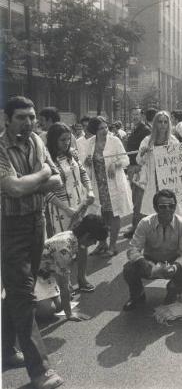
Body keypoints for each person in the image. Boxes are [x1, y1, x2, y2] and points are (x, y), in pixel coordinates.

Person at [0, 96, 64, 389]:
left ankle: (5, 351)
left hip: (36, 223)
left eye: (31, 117)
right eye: (21, 117)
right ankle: (41, 371)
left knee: (15, 292)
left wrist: (29, 182)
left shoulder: (38, 142)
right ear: (7, 118)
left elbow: (59, 180)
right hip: (9, 227)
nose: (27, 123)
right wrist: (41, 175)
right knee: (23, 295)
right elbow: (12, 188)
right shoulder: (1, 147)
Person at [123, 189, 182, 310]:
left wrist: (176, 266)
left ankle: (173, 292)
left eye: (171, 206)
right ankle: (138, 295)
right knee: (129, 269)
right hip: (150, 261)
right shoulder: (145, 223)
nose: (168, 210)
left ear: (175, 206)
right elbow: (133, 249)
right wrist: (143, 263)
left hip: (173, 261)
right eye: (163, 206)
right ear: (155, 208)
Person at [44, 124, 96, 278]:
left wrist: (90, 191)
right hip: (60, 210)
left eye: (68, 139)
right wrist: (66, 209)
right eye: (62, 140)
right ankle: (65, 287)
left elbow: (83, 173)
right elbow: (46, 191)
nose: (66, 143)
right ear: (53, 141)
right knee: (62, 248)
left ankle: (82, 278)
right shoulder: (47, 160)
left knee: (82, 242)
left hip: (79, 204)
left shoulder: (72, 154)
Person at [35, 215, 108, 321]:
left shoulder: (71, 236)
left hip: (45, 274)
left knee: (62, 303)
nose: (95, 243)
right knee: (48, 310)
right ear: (87, 235)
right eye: (95, 240)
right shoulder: (64, 249)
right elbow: (64, 286)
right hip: (31, 275)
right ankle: (18, 302)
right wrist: (69, 314)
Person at [83, 116, 132, 257]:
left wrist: (116, 164)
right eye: (100, 128)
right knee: (102, 215)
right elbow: (86, 164)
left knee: (114, 214)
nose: (104, 130)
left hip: (113, 184)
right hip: (99, 185)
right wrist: (87, 162)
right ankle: (102, 243)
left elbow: (126, 159)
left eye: (105, 127)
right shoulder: (91, 143)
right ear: (94, 130)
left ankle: (112, 246)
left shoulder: (115, 141)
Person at [137, 111, 179, 217]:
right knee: (153, 212)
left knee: (169, 212)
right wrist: (142, 153)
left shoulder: (174, 141)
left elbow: (179, 162)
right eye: (160, 122)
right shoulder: (147, 140)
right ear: (155, 123)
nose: (163, 125)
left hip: (169, 180)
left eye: (165, 122)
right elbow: (139, 160)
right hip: (153, 180)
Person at [124, 106, 152, 239]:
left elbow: (145, 151)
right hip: (132, 166)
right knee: (135, 198)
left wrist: (138, 166)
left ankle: (137, 229)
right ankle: (136, 226)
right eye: (132, 114)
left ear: (142, 116)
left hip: (138, 167)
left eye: (137, 114)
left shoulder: (145, 130)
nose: (134, 117)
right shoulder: (135, 129)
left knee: (138, 199)